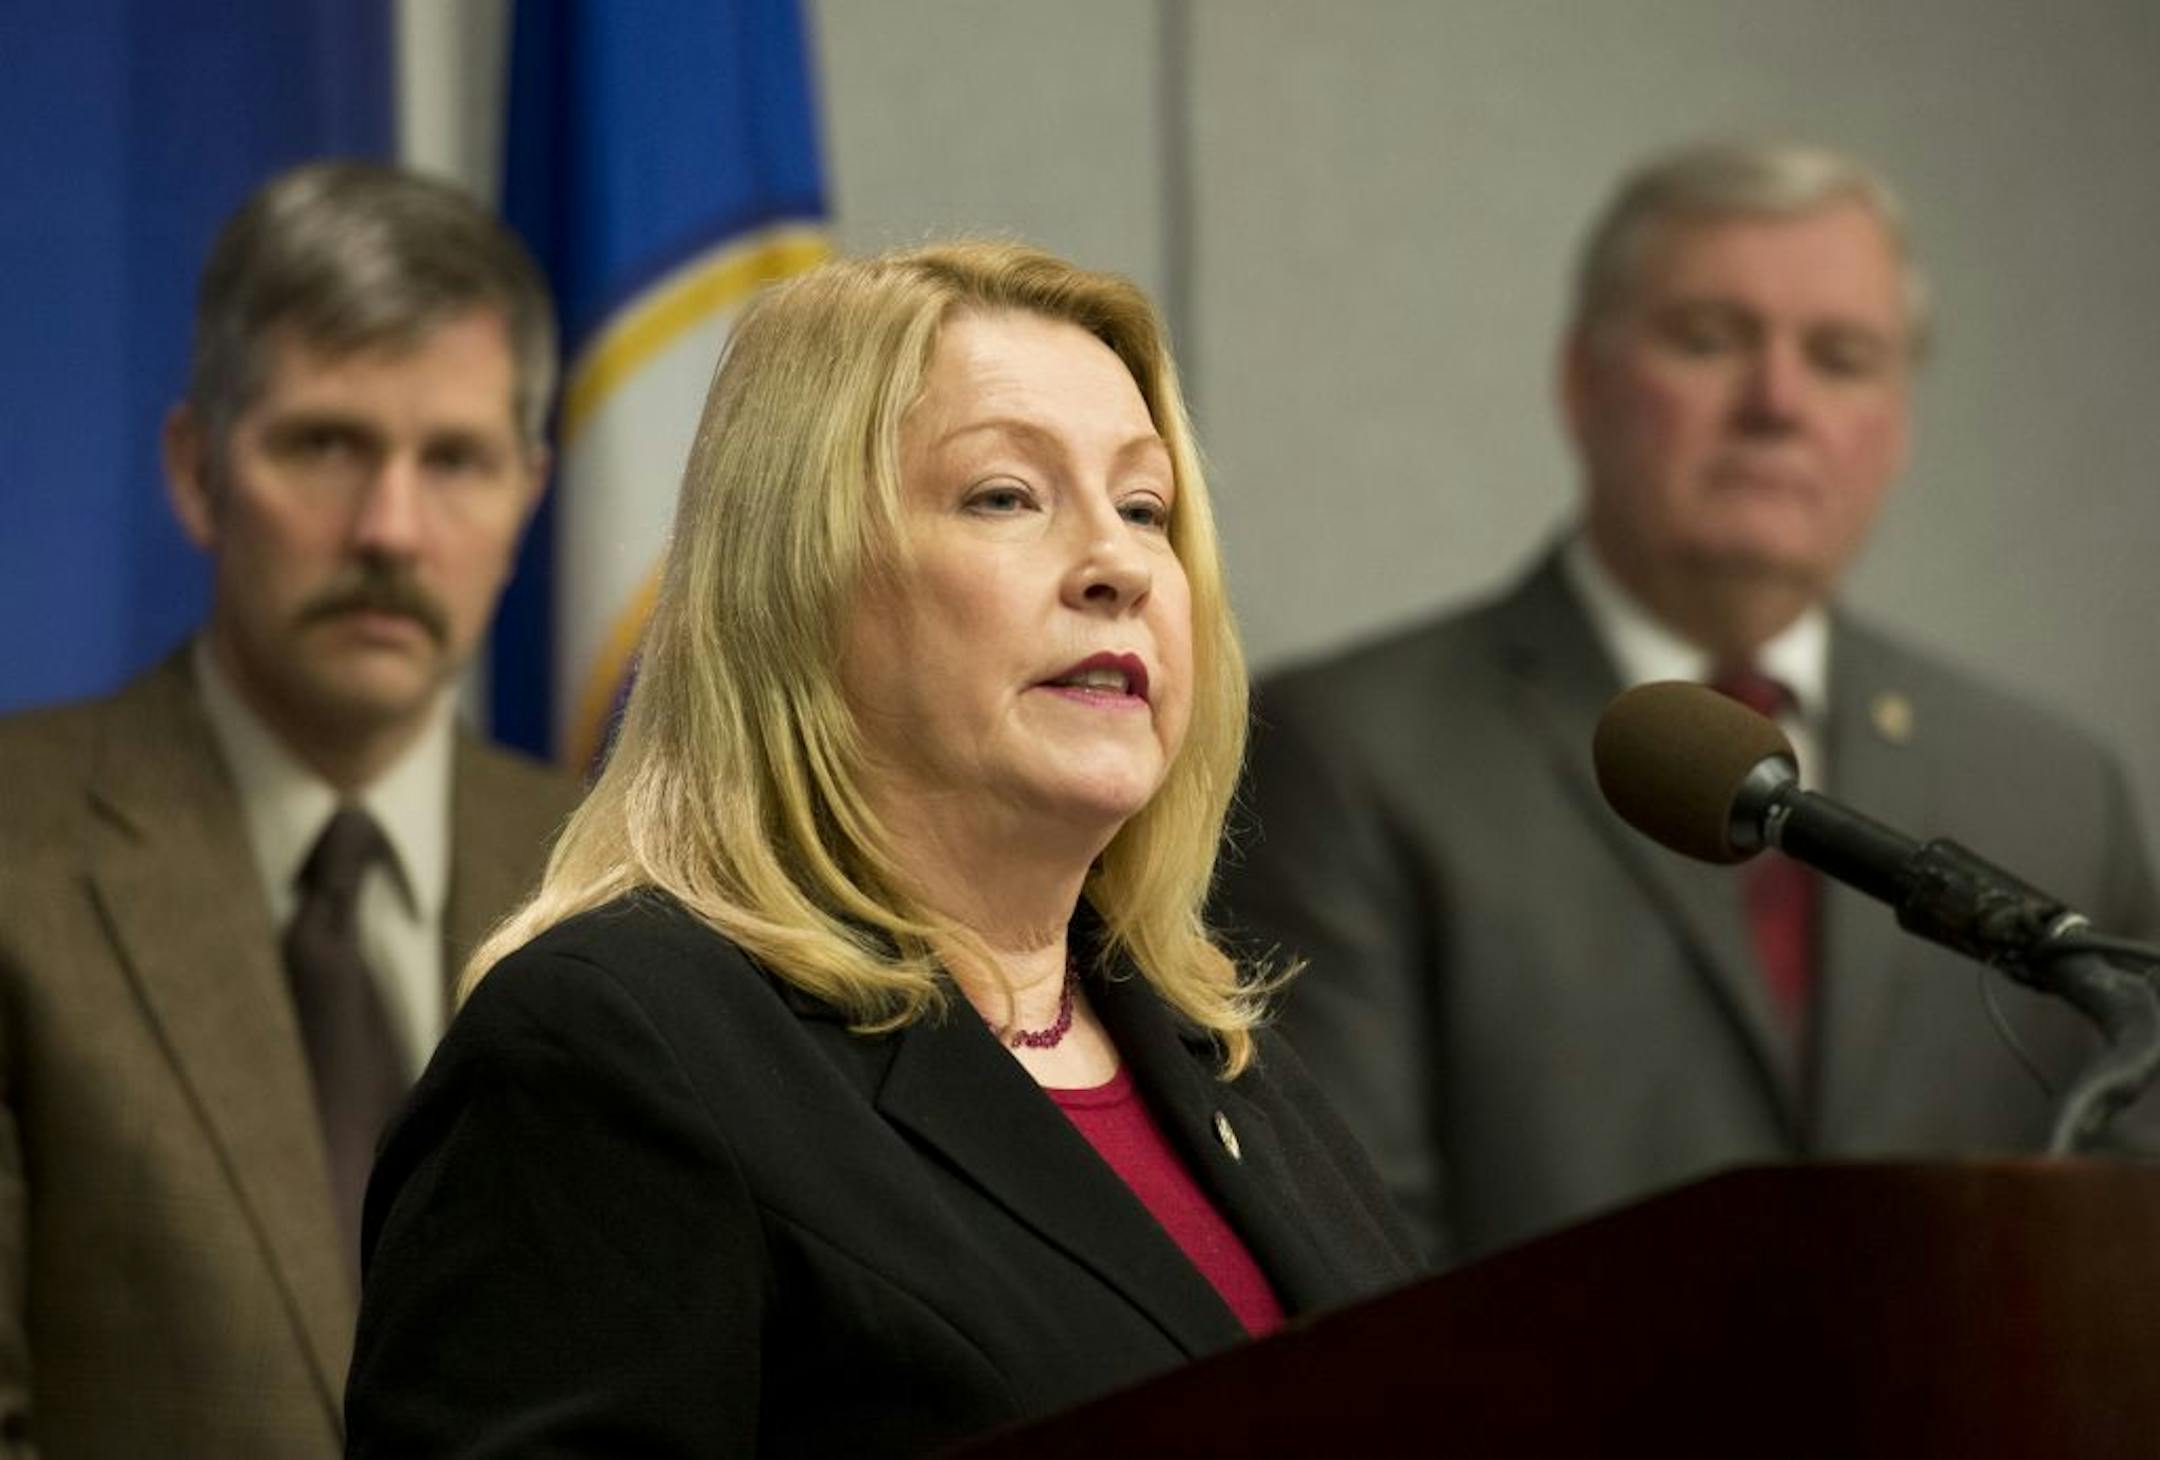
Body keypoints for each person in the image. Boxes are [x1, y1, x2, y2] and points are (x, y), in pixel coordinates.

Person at [344, 241, 1417, 1456]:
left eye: (1144, 508)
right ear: (799, 580)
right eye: (1006, 495)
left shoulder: (1224, 1063)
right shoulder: (612, 1051)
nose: (1118, 564)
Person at [1217, 141, 2158, 1267]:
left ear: (1900, 422)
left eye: (1842, 357)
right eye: (1709, 340)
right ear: (1582, 381)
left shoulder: (2055, 793)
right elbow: (1350, 1265)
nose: (1777, 403)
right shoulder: (1350, 751)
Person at [0, 161, 580, 1457]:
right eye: (325, 445)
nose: (391, 528)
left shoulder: (623, 891)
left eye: (456, 460)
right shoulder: (15, 854)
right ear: (196, 470)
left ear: (528, 499)